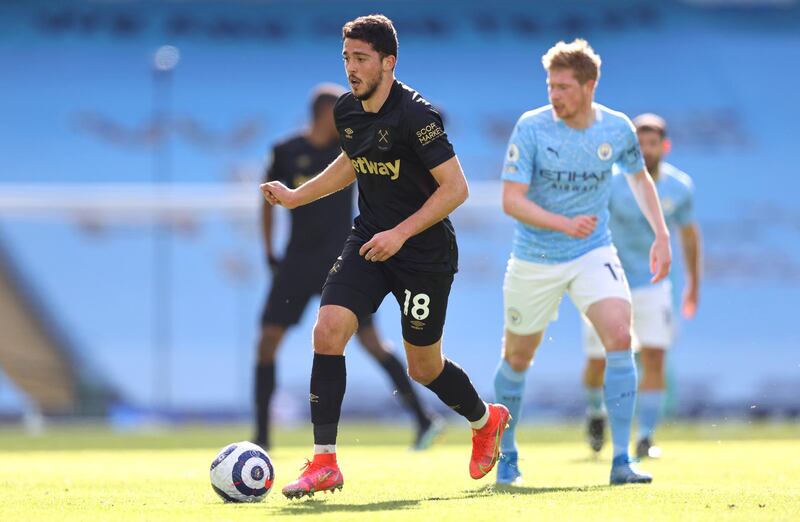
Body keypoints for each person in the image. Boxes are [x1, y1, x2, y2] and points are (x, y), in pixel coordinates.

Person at [261, 14, 510, 499]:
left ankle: (485, 419)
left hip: (424, 254)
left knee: (423, 368)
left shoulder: (417, 117)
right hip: (370, 243)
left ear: (388, 62)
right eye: (346, 58)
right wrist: (296, 196)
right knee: (328, 329)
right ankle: (325, 462)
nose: (351, 68)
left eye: (361, 59)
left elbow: (456, 188)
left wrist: (401, 232)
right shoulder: (347, 111)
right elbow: (352, 162)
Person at [492, 39, 671, 486]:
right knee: (517, 356)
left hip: (593, 250)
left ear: (590, 86)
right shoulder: (532, 127)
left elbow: (640, 179)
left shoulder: (616, 129)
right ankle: (508, 454)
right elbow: (511, 201)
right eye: (551, 85)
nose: (554, 95)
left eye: (564, 87)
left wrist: (661, 234)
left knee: (619, 334)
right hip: (535, 256)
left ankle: (622, 460)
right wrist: (561, 221)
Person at [254, 84, 443, 453]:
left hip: (342, 258)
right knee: (266, 342)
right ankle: (262, 435)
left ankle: (423, 420)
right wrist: (268, 250)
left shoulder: (356, 146)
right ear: (326, 114)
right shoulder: (286, 151)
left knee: (372, 344)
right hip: (297, 261)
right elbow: (265, 202)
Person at [581, 113, 702, 459]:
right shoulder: (611, 183)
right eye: (640, 143)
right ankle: (595, 412)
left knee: (654, 356)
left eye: (653, 143)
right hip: (606, 281)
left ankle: (646, 436)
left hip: (652, 285)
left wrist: (693, 283)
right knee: (597, 362)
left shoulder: (679, 187)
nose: (647, 150)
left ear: (665, 146)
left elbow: (690, 237)